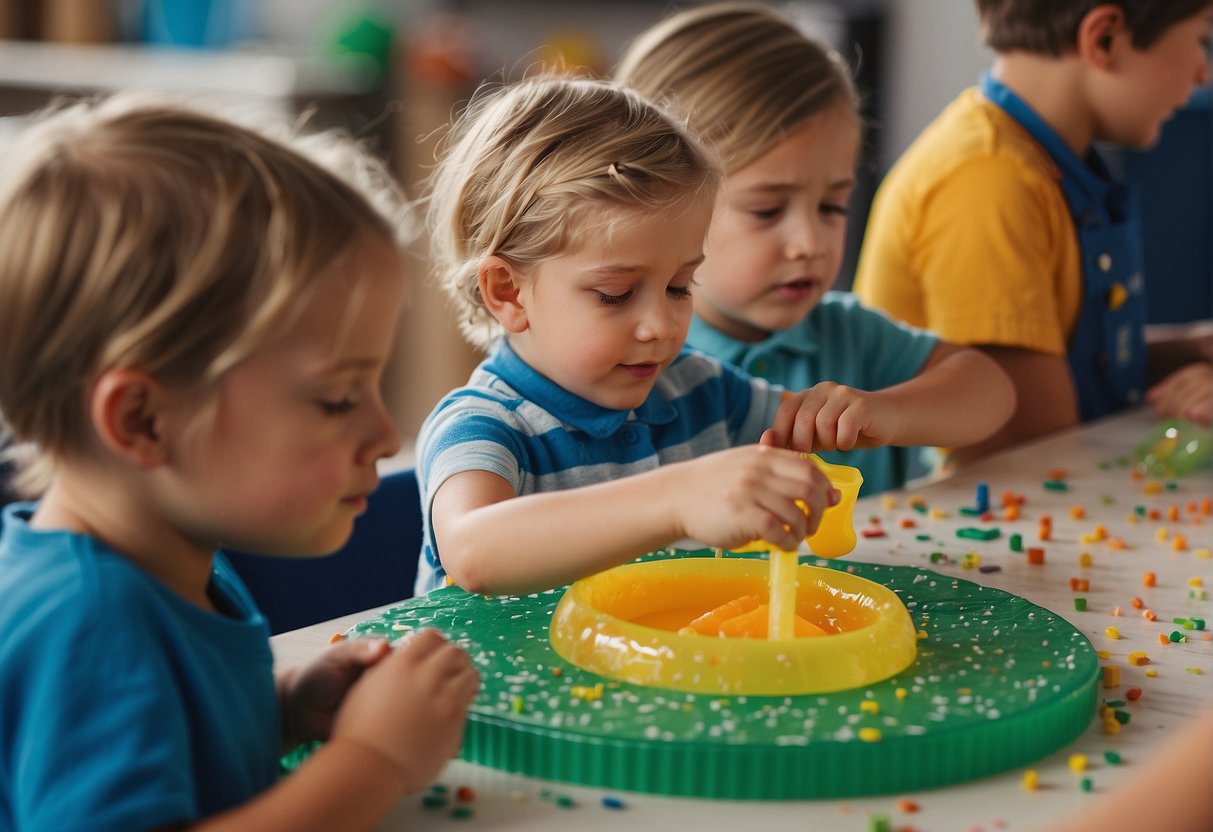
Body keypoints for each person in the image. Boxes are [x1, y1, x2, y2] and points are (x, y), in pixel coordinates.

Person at [0, 95, 479, 831]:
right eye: (336, 399)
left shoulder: (162, 564)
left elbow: (174, 749)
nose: (387, 436)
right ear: (142, 420)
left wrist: (284, 708)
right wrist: (375, 760)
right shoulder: (90, 621)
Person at [415, 74, 1012, 597]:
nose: (662, 325)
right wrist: (676, 498)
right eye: (615, 295)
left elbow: (992, 397)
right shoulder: (482, 425)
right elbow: (476, 553)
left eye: (679, 286)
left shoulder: (695, 392)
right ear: (508, 292)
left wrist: (879, 412)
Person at [614, 1, 1017, 491]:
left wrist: (890, 410)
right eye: (766, 210)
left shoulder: (850, 335)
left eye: (832, 207)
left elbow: (990, 390)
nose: (809, 243)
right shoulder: (632, 357)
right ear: (653, 206)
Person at [854, 0, 1213, 463]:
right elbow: (1037, 449)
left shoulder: (1043, 164)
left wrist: (1196, 349)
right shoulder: (988, 178)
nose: (1203, 71)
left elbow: (1077, 357)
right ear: (1104, 38)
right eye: (1201, 37)